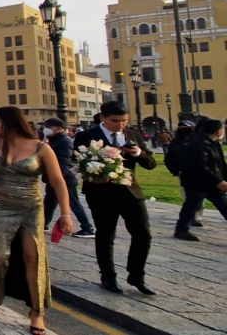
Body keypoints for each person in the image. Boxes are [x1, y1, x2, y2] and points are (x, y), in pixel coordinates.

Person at [0, 106, 73, 335]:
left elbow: (58, 182)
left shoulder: (41, 148)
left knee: (33, 257)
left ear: (10, 123)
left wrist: (65, 214)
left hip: (30, 208)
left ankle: (37, 312)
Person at [73, 101, 157, 295]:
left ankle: (137, 276)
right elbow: (76, 160)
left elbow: (151, 163)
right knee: (105, 234)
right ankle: (108, 276)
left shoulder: (134, 135)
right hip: (101, 192)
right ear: (103, 118)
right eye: (115, 121)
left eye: (124, 121)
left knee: (143, 234)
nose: (120, 125)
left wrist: (137, 152)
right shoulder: (86, 136)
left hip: (130, 191)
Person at [41, 118, 95, 238]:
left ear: (60, 128)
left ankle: (87, 228)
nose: (46, 129)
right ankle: (43, 224)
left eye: (50, 127)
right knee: (49, 202)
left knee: (73, 203)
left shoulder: (65, 141)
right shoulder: (52, 140)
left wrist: (57, 177)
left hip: (64, 179)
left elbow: (64, 161)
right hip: (53, 178)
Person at [174, 119, 227, 241]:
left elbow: (219, 165)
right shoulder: (199, 144)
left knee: (221, 204)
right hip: (198, 182)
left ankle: (181, 229)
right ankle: (181, 230)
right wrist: (219, 181)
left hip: (209, 182)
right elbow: (202, 166)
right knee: (192, 205)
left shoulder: (212, 143)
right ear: (218, 131)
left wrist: (222, 179)